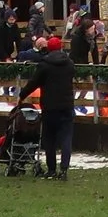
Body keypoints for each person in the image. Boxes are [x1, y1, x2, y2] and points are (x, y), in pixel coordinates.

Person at [35, 35, 76, 180]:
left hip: (49, 107)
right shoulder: (69, 64)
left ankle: (51, 169)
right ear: (60, 48)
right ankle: (64, 169)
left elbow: (34, 82)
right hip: (66, 106)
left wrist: (22, 95)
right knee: (66, 138)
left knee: (49, 139)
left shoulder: (44, 65)